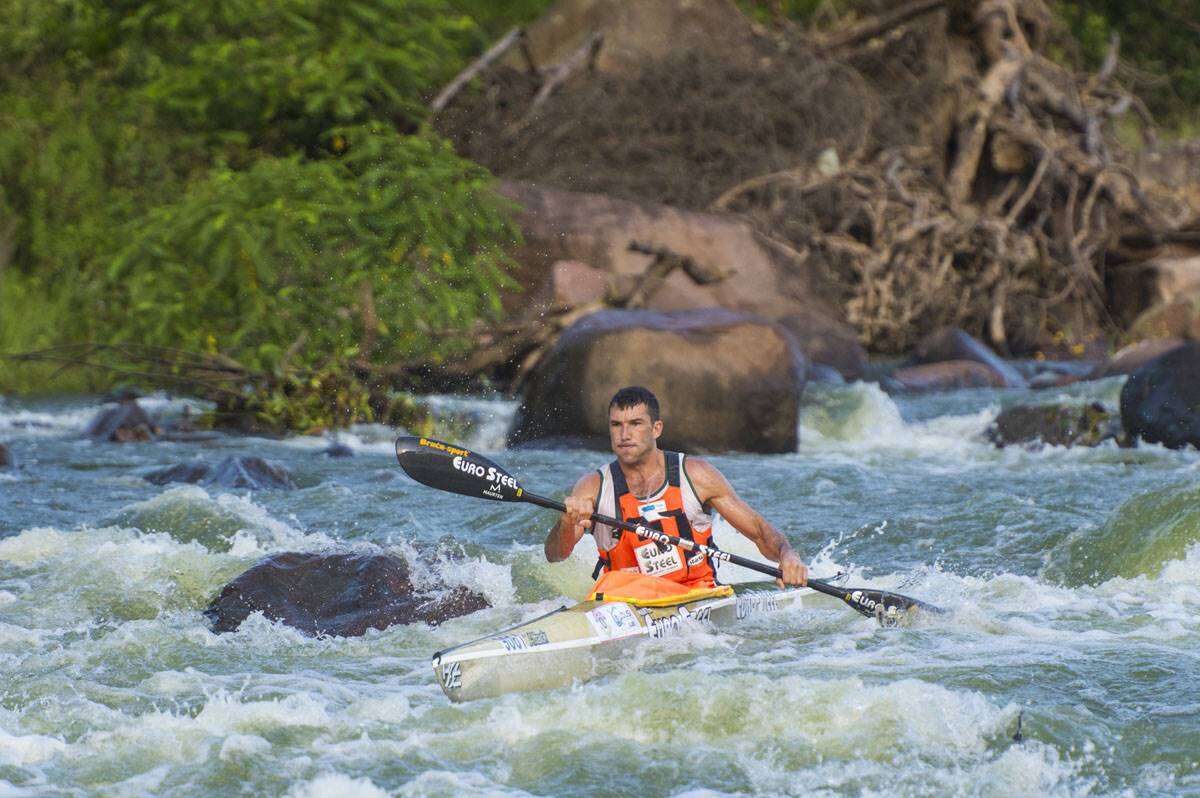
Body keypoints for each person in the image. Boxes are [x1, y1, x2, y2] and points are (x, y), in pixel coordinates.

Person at [544, 386, 808, 590]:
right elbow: (555, 555)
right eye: (616, 425)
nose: (624, 435)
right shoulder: (592, 486)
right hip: (626, 603)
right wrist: (567, 522)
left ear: (656, 428)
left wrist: (788, 555)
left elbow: (761, 534)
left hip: (696, 595)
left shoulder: (696, 475)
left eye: (635, 424)